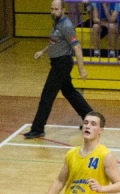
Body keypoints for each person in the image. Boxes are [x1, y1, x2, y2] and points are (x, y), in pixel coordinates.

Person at [23, 0, 93, 140]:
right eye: (52, 9)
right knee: (69, 92)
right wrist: (42, 51)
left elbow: (77, 48)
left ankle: (37, 129)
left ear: (63, 10)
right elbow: (54, 42)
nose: (53, 12)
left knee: (47, 96)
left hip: (62, 64)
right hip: (57, 63)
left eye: (56, 9)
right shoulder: (56, 23)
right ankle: (90, 118)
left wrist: (82, 70)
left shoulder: (66, 26)